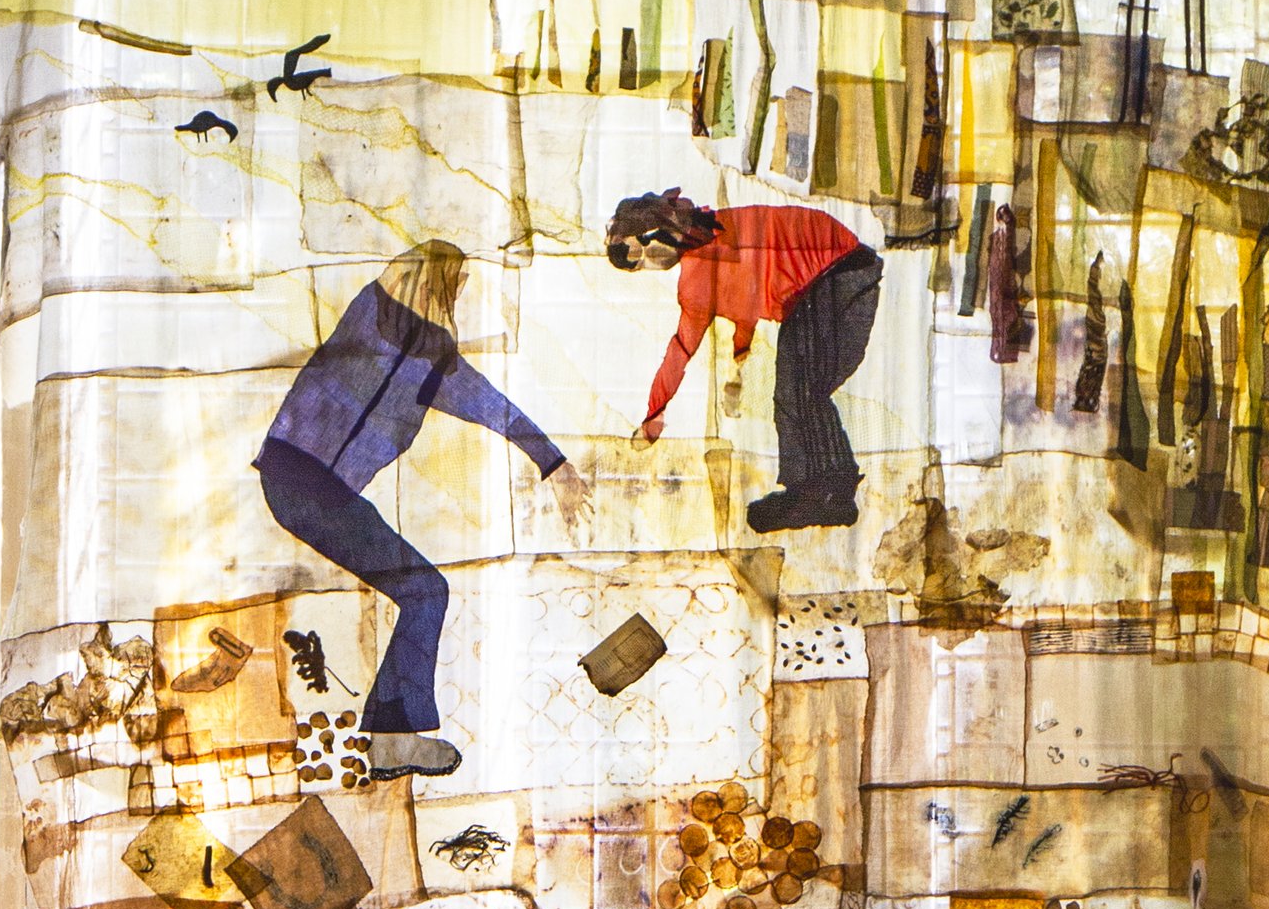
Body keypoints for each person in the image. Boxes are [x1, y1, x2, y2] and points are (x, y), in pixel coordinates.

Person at [257, 242, 589, 777]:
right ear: (439, 285)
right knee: (425, 590)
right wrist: (553, 462)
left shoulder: (376, 316)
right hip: (309, 486)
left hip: (294, 478)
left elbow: (479, 396)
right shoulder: (415, 348)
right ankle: (391, 741)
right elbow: (485, 400)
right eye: (454, 285)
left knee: (422, 589)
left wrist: (551, 462)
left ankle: (392, 736)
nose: (458, 296)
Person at [607, 187, 881, 532]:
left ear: (652, 237)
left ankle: (823, 496)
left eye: (642, 259)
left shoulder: (697, 275)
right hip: (846, 268)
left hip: (833, 275)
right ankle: (823, 492)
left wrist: (652, 417)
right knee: (802, 391)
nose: (650, 267)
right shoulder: (715, 229)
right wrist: (737, 364)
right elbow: (745, 299)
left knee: (798, 392)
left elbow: (680, 350)